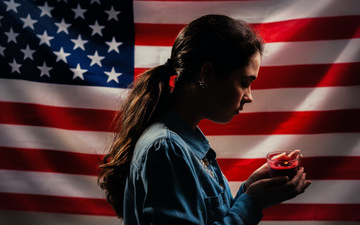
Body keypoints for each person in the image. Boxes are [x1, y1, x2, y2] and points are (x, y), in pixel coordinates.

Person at [98, 14, 311, 224]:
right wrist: (252, 204)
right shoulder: (166, 148)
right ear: (207, 74)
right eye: (245, 82)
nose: (250, 97)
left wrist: (249, 191)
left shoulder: (183, 142)